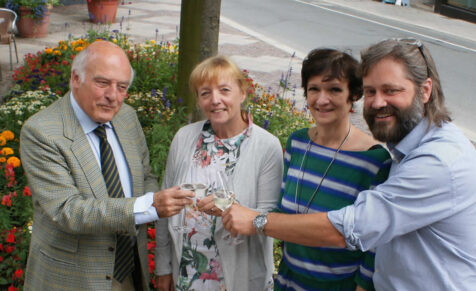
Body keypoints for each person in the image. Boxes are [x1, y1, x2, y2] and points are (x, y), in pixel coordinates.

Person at [224, 38, 476, 290]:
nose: (378, 102)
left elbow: (350, 230)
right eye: (371, 91)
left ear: (425, 90)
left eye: (391, 90)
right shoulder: (408, 150)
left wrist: (258, 221)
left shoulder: (438, 161)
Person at [20, 41, 194, 291]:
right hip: (73, 278)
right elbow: (68, 210)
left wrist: (168, 201)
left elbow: (145, 175)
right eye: (102, 83)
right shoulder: (42, 132)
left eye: (122, 87)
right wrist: (149, 205)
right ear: (75, 78)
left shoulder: (126, 117)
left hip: (129, 271)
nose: (113, 96)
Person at [222, 48, 391, 291]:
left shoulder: (373, 161)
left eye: (334, 89)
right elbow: (282, 212)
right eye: (314, 89)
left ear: (353, 95)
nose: (322, 99)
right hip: (289, 281)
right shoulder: (298, 143)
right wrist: (230, 210)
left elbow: (375, 246)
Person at [155, 55, 283, 291]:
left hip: (239, 276)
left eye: (224, 90)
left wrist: (232, 208)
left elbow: (270, 218)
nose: (215, 100)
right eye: (205, 93)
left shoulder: (266, 146)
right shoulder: (184, 138)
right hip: (187, 274)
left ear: (242, 93)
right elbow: (165, 208)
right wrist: (163, 268)